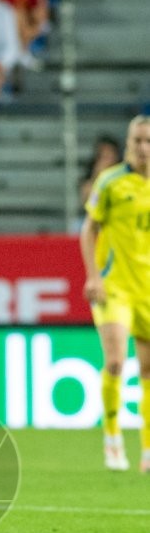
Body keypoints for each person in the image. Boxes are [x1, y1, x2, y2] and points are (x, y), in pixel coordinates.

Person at [80, 115, 150, 474]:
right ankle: (112, 436)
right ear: (128, 143)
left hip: (147, 289)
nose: (143, 148)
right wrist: (94, 276)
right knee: (117, 362)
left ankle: (147, 450)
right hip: (115, 287)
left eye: (148, 141)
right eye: (138, 140)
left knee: (148, 370)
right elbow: (88, 229)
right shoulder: (110, 182)